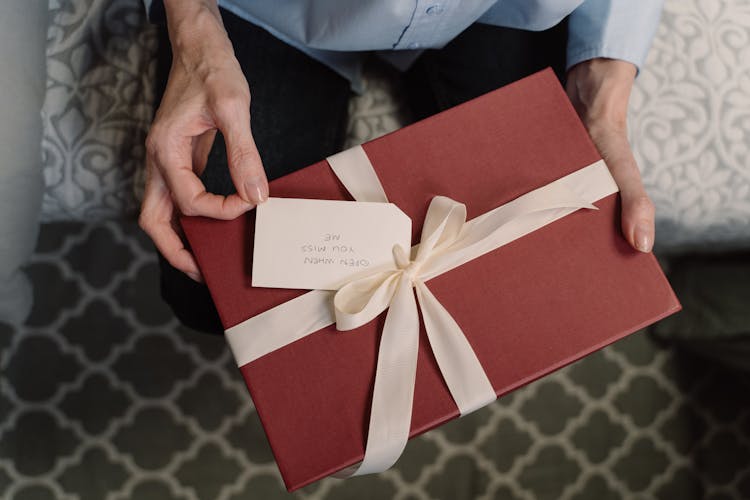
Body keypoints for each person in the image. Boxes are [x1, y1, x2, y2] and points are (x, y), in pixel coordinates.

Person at [139, 0, 663, 334]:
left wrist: (603, 89)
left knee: (548, 263)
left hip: (498, 9)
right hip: (275, 9)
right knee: (215, 285)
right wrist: (193, 30)